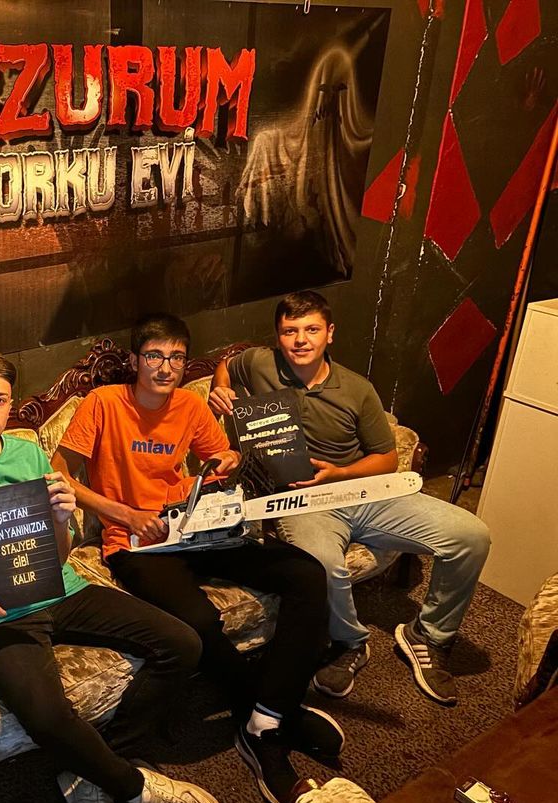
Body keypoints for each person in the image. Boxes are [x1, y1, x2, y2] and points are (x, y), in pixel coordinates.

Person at [0, 348, 220, 803]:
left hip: (60, 587)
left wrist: (60, 521)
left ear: (10, 405)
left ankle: (104, 762)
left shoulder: (29, 455)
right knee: (46, 716)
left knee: (184, 643)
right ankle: (134, 788)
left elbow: (60, 553)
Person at [53, 314, 341, 803]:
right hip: (135, 541)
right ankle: (272, 715)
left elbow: (222, 455)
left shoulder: (189, 404)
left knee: (306, 574)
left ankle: (267, 713)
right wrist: (121, 512)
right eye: (154, 356)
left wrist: (228, 460)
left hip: (196, 526)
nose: (165, 367)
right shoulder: (102, 403)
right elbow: (57, 472)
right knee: (198, 619)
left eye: (176, 358)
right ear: (135, 360)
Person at [209, 290, 491, 706]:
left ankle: (429, 635)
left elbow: (387, 459)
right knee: (321, 564)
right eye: (290, 331)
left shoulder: (357, 388)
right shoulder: (260, 363)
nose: (300, 340)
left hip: (362, 492)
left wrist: (340, 472)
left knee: (471, 536)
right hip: (303, 502)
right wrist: (220, 388)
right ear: (277, 336)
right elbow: (227, 364)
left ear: (330, 333)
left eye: (311, 330)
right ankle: (349, 642)